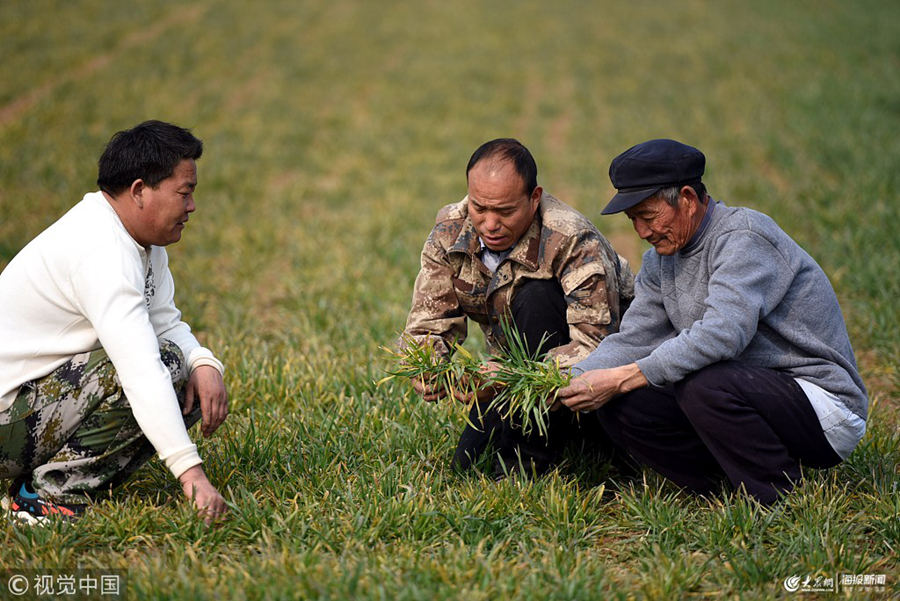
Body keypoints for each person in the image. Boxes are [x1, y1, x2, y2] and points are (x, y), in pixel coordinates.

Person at [558, 139, 867, 504]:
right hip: (747, 396)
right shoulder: (661, 261)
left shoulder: (744, 237)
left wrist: (624, 376)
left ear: (687, 198)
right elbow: (635, 339)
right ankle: (718, 488)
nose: (642, 231)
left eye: (649, 215)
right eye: (633, 220)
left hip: (822, 407)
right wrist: (567, 382)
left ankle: (778, 496)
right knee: (620, 401)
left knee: (700, 381)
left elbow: (723, 335)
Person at [0, 120, 228, 524]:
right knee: (151, 370)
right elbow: (140, 369)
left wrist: (204, 362)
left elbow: (164, 321)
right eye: (184, 193)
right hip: (4, 420)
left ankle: (47, 482)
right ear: (140, 191)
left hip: (24, 407)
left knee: (180, 367)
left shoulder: (138, 240)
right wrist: (192, 476)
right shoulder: (101, 250)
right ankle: (39, 498)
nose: (191, 206)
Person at [402, 138, 634, 476]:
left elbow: (597, 347)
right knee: (467, 466)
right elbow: (428, 319)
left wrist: (509, 378)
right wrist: (427, 365)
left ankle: (530, 462)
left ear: (534, 198)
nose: (490, 224)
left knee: (535, 295)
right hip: (513, 371)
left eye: (506, 211)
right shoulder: (450, 228)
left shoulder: (572, 237)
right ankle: (553, 438)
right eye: (479, 208)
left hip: (599, 392)